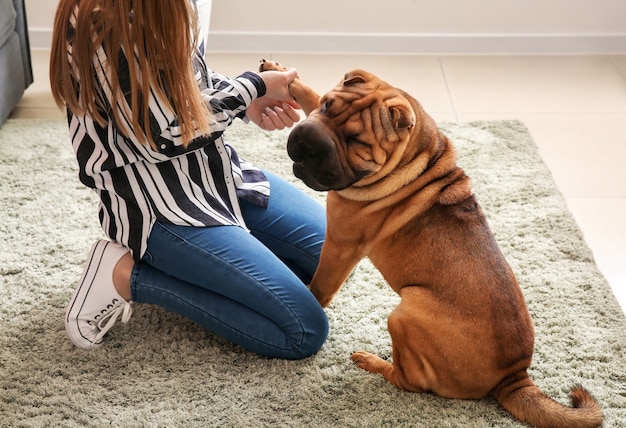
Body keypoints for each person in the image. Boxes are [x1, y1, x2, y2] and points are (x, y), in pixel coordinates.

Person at [49, 0, 329, 359]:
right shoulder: (108, 21)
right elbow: (161, 136)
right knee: (303, 331)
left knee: (328, 255)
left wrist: (244, 102)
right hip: (158, 208)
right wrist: (251, 87)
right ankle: (125, 276)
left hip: (215, 176)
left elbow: (185, 81)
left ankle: (210, 265)